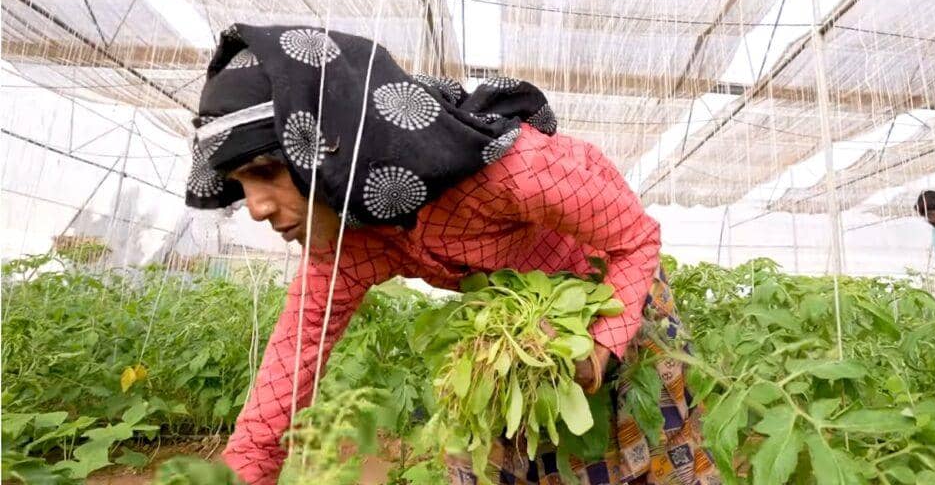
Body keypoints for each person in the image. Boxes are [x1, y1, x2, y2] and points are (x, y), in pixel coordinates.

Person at [186, 24, 719, 485]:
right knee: (497, 455)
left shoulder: (512, 170)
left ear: (330, 142)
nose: (255, 207)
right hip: (516, 333)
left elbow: (635, 238)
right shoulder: (354, 242)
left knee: (635, 449)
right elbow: (290, 362)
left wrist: (601, 349)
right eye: (239, 184)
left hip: (612, 295)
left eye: (265, 172)